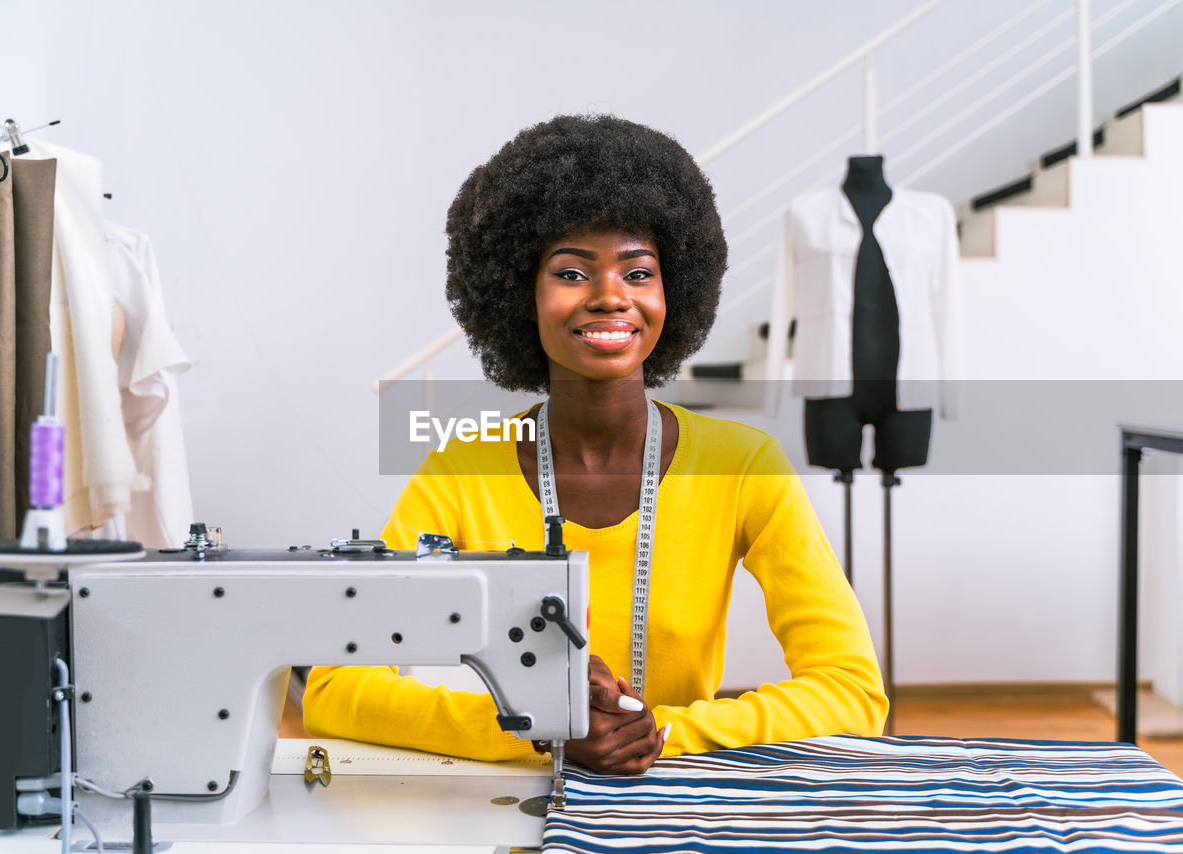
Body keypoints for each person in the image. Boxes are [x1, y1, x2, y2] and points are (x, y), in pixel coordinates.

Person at [304, 114, 887, 775]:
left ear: (675, 291)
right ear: (520, 293)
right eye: (573, 273)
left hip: (684, 803)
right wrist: (533, 727)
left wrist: (661, 734)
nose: (612, 297)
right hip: (520, 809)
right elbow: (333, 687)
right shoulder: (463, 469)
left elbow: (853, 690)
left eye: (638, 272)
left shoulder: (744, 466)